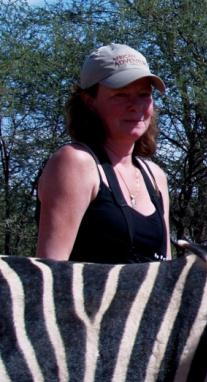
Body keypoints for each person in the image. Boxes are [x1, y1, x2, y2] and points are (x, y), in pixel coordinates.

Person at [36, 43, 171, 263]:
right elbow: (50, 271)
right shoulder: (75, 163)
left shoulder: (156, 177)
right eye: (121, 95)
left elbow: (165, 271)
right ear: (89, 101)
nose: (135, 106)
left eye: (143, 94)